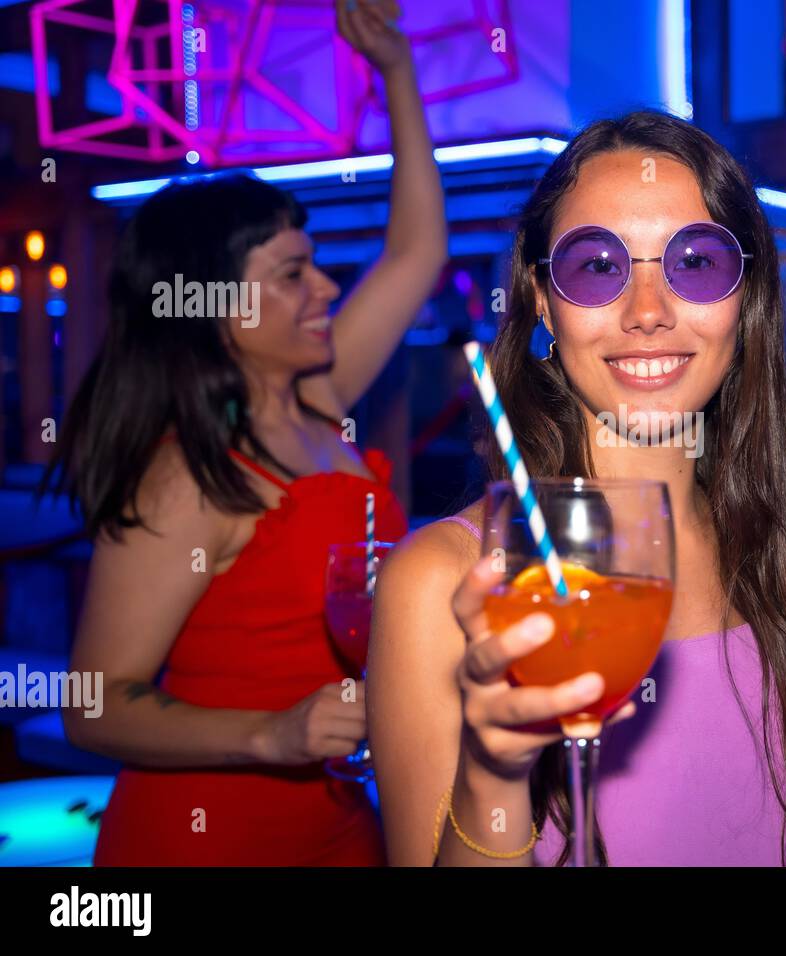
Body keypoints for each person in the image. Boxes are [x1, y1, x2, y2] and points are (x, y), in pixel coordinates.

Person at [370, 110, 786, 866]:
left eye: (696, 263)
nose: (647, 314)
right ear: (543, 300)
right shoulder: (442, 581)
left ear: (746, 300)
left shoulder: (763, 542)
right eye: (598, 267)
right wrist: (494, 773)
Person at [41, 0, 447, 865]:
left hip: (343, 820)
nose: (328, 290)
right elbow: (93, 703)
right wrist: (273, 734)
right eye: (294, 274)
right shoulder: (187, 474)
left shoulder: (319, 399)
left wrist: (399, 74)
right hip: (210, 838)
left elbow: (416, 253)